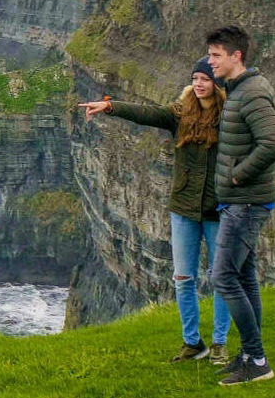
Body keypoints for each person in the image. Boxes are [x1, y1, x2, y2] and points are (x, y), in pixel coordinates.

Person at [78, 58, 232, 365]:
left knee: (223, 278)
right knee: (183, 277)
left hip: (218, 210)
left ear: (218, 84)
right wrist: (110, 107)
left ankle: (219, 342)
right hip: (184, 209)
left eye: (206, 79)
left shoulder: (230, 118)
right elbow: (146, 114)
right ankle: (192, 342)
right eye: (195, 78)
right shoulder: (180, 113)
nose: (199, 84)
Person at [206, 25, 275, 386]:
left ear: (236, 56)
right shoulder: (238, 90)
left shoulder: (251, 94)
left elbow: (272, 143)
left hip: (246, 203)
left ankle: (257, 358)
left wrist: (238, 176)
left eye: (216, 56)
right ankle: (251, 355)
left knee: (222, 276)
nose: (210, 62)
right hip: (241, 203)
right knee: (245, 277)